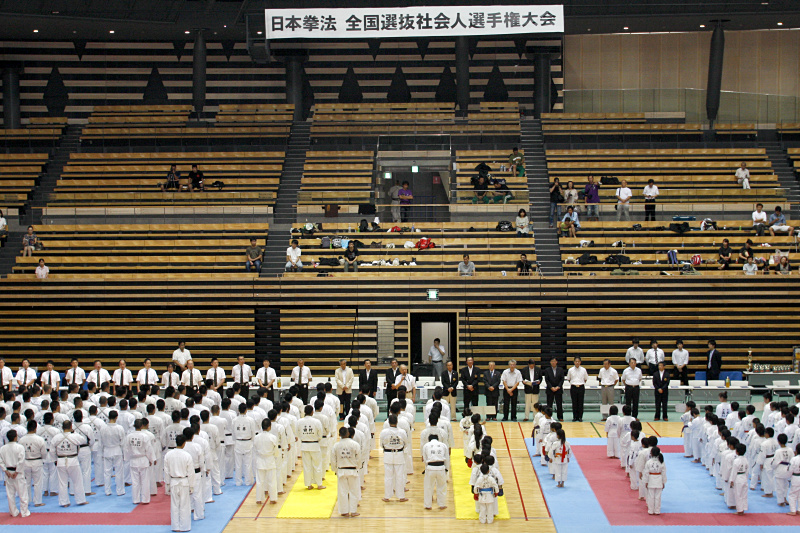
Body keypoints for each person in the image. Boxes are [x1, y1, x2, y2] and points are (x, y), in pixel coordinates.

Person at [163, 435, 197, 532]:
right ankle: (184, 527)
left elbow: (166, 471)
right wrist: (192, 485)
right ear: (184, 443)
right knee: (184, 505)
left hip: (173, 481)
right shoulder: (187, 455)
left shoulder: (168, 455)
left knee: (174, 505)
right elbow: (190, 472)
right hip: (184, 481)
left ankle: (175, 526)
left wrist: (167, 484)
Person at [52, 421, 88, 507]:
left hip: (60, 460)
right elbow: (84, 440)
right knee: (77, 481)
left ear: (62, 427)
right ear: (71, 427)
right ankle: (80, 500)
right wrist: (73, 432)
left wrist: (55, 460)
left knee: (62, 482)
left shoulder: (56, 437)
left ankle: (64, 502)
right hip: (73, 460)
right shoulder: (75, 436)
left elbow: (52, 450)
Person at [124, 418, 156, 505]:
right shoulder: (145, 436)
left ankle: (135, 499)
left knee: (135, 482)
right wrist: (152, 459)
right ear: (142, 426)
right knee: (145, 481)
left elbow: (126, 449)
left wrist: (126, 459)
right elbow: (149, 449)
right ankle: (145, 499)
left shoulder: (129, 436)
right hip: (143, 460)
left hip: (133, 460)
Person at [331, 426, 361, 516]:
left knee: (342, 492)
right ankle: (353, 511)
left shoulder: (336, 445)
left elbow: (333, 460)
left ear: (339, 435)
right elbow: (359, 458)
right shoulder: (355, 444)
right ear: (348, 433)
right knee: (353, 491)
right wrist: (358, 467)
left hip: (341, 471)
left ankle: (344, 511)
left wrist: (335, 470)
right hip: (352, 470)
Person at [0, 429, 29, 517]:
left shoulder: (2, 448)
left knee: (10, 494)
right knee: (22, 492)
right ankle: (24, 512)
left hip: (8, 473)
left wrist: (5, 470)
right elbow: (21, 461)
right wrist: (16, 472)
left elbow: (1, 461)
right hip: (18, 473)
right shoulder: (19, 447)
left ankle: (13, 512)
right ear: (16, 437)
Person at [380, 414, 408, 502]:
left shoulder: (384, 432)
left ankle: (387, 496)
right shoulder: (402, 432)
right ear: (397, 422)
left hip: (388, 454)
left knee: (388, 476)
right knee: (399, 476)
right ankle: (401, 496)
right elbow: (406, 444)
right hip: (399, 454)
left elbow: (381, 444)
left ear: (388, 422)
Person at [253, 419, 280, 505]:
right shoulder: (273, 437)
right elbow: (276, 451)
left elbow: (255, 449)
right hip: (270, 460)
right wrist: (275, 456)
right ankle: (273, 498)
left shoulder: (256, 437)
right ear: (269, 427)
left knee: (260, 481)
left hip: (260, 460)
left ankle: (259, 499)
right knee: (271, 480)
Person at [421, 434, 448, 510]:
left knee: (428, 487)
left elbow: (425, 459)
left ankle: (428, 505)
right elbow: (447, 458)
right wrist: (446, 468)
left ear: (429, 439)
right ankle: (442, 504)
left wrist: (427, 467)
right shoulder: (443, 445)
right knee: (442, 486)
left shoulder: (426, 445)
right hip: (441, 467)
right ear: (438, 439)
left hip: (430, 467)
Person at [232, 403, 256, 486]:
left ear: (238, 410)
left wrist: (235, 440)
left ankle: (238, 482)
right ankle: (248, 481)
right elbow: (253, 432)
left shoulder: (234, 420)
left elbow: (233, 433)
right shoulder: (250, 420)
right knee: (248, 463)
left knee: (238, 464)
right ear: (246, 410)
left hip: (238, 442)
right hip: (247, 442)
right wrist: (252, 440)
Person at [643, 446, 666, 515]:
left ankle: (651, 510)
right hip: (659, 479)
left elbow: (646, 473)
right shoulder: (661, 462)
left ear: (651, 453)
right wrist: (663, 482)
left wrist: (646, 481)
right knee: (658, 496)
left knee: (651, 496)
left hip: (651, 479)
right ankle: (657, 510)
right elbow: (664, 473)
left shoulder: (648, 462)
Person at [567, 357, 588, 422]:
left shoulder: (583, 370)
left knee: (580, 403)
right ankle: (575, 417)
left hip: (581, 387)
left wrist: (580, 384)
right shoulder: (570, 370)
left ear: (580, 362)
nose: (577, 362)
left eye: (578, 361)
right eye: (576, 361)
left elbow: (585, 379)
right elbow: (569, 378)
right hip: (573, 387)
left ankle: (580, 417)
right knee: (574, 403)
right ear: (574, 362)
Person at [544, 357, 565, 422]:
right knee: (549, 404)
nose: (553, 362)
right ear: (550, 362)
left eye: (554, 361)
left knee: (559, 404)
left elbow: (562, 379)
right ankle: (548, 416)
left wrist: (558, 386)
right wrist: (551, 387)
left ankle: (560, 417)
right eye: (552, 361)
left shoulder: (560, 369)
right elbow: (546, 380)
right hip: (550, 389)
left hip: (558, 389)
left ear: (556, 362)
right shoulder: (547, 370)